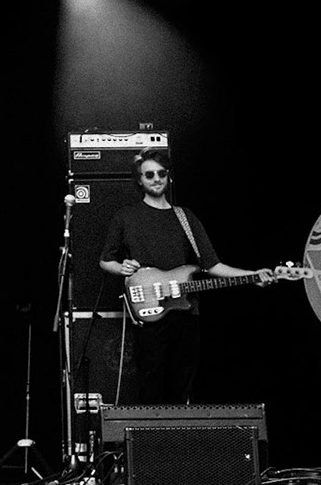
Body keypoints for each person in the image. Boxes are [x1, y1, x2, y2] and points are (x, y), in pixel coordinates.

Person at [98, 150, 269, 404]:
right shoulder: (126, 216)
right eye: (149, 175)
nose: (156, 179)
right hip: (150, 308)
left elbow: (212, 265)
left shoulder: (185, 217)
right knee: (150, 382)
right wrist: (121, 267)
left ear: (168, 177)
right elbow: (105, 261)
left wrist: (252, 275)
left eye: (161, 173)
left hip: (187, 312)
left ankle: (178, 429)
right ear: (140, 180)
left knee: (181, 384)